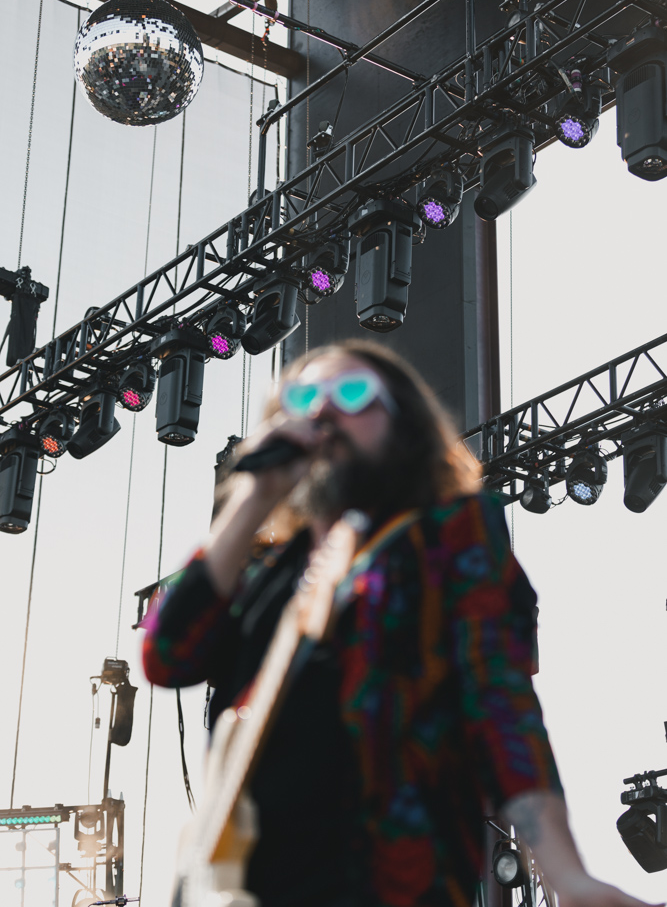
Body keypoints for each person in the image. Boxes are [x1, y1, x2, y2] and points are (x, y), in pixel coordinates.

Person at [143, 339, 660, 907]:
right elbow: (167, 656)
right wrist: (252, 497)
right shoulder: (270, 574)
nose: (325, 410)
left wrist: (567, 873)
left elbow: (498, 699)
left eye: (354, 392)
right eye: (304, 397)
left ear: (403, 426)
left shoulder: (448, 533)